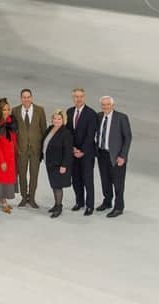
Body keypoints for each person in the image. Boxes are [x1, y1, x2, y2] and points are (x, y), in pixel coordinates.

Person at [96, 95, 133, 218]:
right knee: (105, 180)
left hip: (116, 156)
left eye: (108, 104)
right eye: (103, 105)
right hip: (102, 154)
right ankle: (107, 202)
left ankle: (119, 207)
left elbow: (128, 138)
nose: (105, 107)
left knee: (118, 183)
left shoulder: (121, 118)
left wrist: (123, 156)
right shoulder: (99, 116)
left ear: (112, 105)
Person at [66, 87, 98, 216]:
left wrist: (82, 150)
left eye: (80, 96)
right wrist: (73, 149)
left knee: (87, 180)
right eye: (75, 96)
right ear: (73, 98)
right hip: (73, 153)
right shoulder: (69, 112)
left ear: (84, 97)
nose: (78, 99)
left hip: (87, 154)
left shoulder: (91, 113)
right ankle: (79, 202)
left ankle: (90, 205)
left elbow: (91, 135)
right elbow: (68, 132)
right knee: (76, 179)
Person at [15, 88, 48, 209]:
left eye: (28, 97)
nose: (26, 99)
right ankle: (24, 198)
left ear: (31, 98)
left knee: (34, 175)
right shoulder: (15, 111)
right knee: (22, 175)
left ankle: (32, 198)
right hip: (21, 149)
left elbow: (44, 130)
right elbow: (14, 131)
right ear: (21, 98)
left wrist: (43, 150)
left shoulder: (40, 110)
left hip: (35, 149)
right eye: (24, 97)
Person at [42, 110, 74, 218]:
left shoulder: (66, 133)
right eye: (54, 118)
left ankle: (59, 207)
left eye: (59, 119)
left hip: (58, 164)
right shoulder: (50, 129)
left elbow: (68, 151)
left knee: (58, 186)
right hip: (50, 163)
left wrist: (64, 165)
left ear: (63, 120)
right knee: (53, 185)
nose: (56, 120)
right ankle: (56, 205)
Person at [0, 98, 19, 214]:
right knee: (1, 180)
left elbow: (14, 140)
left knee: (8, 180)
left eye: (8, 109)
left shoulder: (12, 122)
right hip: (1, 158)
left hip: (11, 157)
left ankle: (4, 200)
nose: (6, 112)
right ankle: (2, 202)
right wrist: (2, 161)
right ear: (0, 111)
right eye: (4, 110)